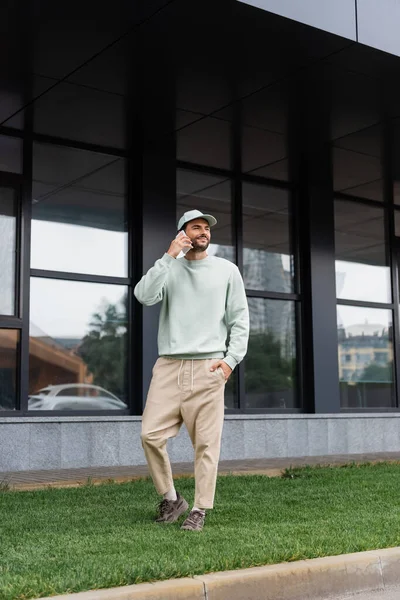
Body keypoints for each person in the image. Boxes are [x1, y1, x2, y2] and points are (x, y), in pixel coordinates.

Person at [134, 209, 249, 531]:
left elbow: (240, 319)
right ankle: (172, 498)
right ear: (182, 233)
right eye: (196, 227)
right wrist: (169, 256)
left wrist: (230, 361)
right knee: (150, 435)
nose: (203, 232)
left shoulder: (227, 270)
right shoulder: (170, 267)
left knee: (207, 444)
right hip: (169, 365)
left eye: (206, 228)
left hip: (209, 365)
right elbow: (143, 296)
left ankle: (199, 509)